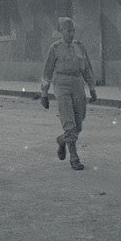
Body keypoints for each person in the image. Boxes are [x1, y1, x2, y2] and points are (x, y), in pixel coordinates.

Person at [40, 17, 99, 170]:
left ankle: (62, 140)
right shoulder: (55, 48)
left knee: (79, 123)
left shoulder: (80, 47)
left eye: (73, 30)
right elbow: (47, 72)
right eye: (68, 30)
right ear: (61, 32)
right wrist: (44, 94)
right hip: (62, 84)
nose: (71, 33)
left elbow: (87, 69)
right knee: (69, 123)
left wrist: (92, 88)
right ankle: (74, 158)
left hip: (78, 83)